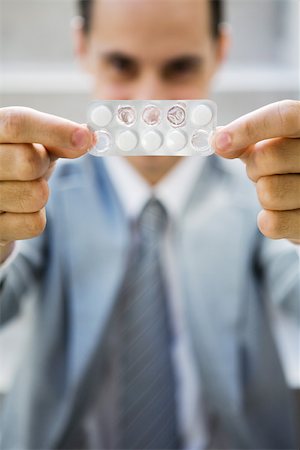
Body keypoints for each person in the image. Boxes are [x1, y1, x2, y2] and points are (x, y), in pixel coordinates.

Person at [0, 0, 299, 448]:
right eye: (121, 65)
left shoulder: (264, 200)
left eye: (179, 68)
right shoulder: (42, 196)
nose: (148, 101)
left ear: (221, 51)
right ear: (82, 47)